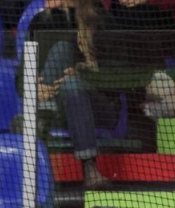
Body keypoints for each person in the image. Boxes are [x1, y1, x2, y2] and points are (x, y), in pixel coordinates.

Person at [18, 0, 122, 189]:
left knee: (66, 63)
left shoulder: (99, 17)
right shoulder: (41, 21)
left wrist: (82, 73)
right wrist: (35, 89)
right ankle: (89, 167)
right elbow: (22, 76)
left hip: (99, 106)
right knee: (69, 80)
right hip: (60, 105)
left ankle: (40, 118)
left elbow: (117, 75)